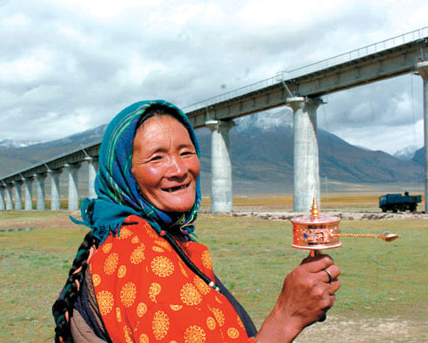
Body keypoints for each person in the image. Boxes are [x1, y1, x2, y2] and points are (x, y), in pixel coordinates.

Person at [52, 99, 341, 343]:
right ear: (125, 175)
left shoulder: (130, 237)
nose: (179, 169)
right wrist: (286, 316)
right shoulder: (146, 259)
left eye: (186, 152)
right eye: (157, 158)